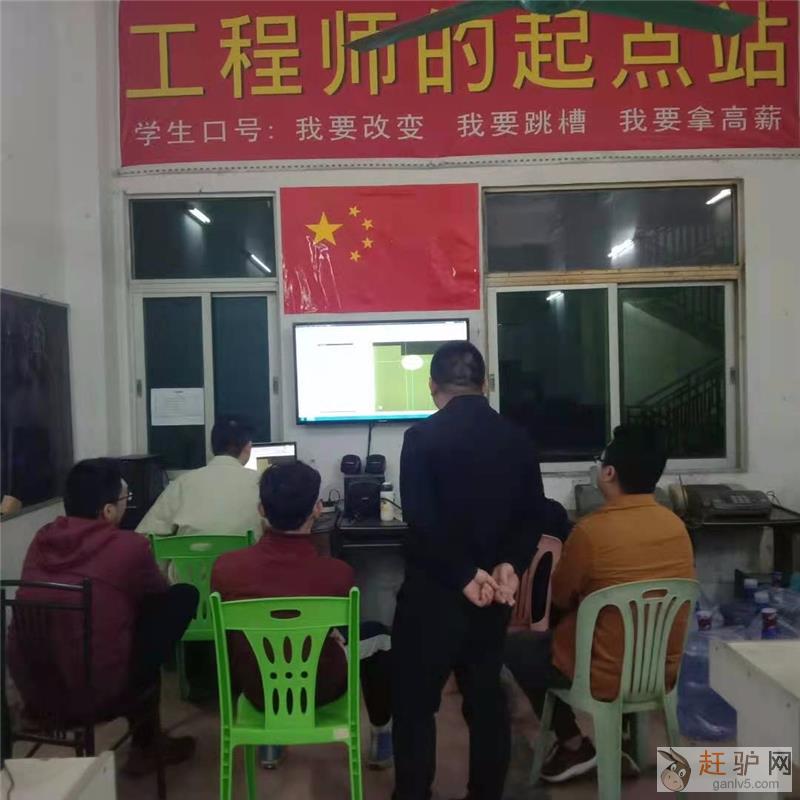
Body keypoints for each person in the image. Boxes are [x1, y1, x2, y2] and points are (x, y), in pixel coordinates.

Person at [393, 341, 546, 800]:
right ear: (485, 385)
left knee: (416, 705)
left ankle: (413, 794)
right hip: (493, 596)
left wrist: (462, 575)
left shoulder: (421, 438)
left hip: (433, 596)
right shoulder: (517, 438)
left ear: (432, 386)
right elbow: (533, 516)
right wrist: (510, 565)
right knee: (486, 702)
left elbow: (421, 521)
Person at [504, 425, 695, 784]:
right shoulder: (677, 528)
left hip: (602, 673)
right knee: (622, 631)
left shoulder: (592, 532)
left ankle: (574, 743)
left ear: (608, 473)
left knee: (517, 649)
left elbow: (559, 596)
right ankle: (620, 741)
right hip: (659, 670)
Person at [9, 459, 198, 775]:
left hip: (34, 692)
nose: (127, 505)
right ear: (108, 511)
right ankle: (147, 744)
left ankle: (146, 741)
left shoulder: (42, 539)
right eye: (126, 499)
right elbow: (159, 594)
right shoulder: (128, 546)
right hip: (95, 695)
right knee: (180, 598)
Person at [211, 461, 394, 770]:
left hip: (258, 693)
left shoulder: (225, 568)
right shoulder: (338, 574)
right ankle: (382, 739)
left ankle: (271, 739)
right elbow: (336, 633)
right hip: (321, 689)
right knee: (379, 635)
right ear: (318, 509)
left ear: (261, 510)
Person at [136, 416, 262, 538]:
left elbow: (144, 534)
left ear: (211, 447)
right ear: (248, 447)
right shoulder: (260, 483)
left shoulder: (183, 483)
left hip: (190, 553)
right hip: (246, 552)